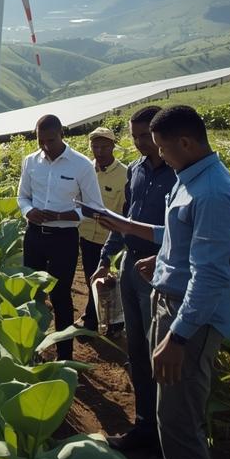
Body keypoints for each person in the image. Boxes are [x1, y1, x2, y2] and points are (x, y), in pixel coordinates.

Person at [94, 105, 230, 459]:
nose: (156, 154)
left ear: (185, 142)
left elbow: (210, 275)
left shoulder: (212, 192)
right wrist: (146, 247)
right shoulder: (189, 177)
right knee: (167, 414)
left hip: (188, 318)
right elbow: (175, 235)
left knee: (180, 423)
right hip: (169, 300)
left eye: (161, 146)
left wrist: (178, 337)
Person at [93, 105, 178, 452]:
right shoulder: (137, 170)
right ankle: (144, 424)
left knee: (157, 345)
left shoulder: (178, 174)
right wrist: (105, 256)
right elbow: (126, 218)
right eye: (135, 136)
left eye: (146, 136)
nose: (141, 143)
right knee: (137, 348)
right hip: (131, 265)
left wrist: (163, 256)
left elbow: (182, 231)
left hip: (160, 270)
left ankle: (166, 431)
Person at [17, 114, 105, 361]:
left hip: (63, 238)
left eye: (50, 140)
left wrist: (61, 215)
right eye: (40, 140)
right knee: (33, 294)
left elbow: (94, 207)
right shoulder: (30, 161)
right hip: (34, 236)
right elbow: (22, 196)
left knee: (61, 295)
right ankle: (32, 350)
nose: (45, 146)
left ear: (62, 135)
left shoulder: (81, 165)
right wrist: (28, 211)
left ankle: (64, 355)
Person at [79, 125, 127, 334]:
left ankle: (116, 323)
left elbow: (126, 211)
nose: (99, 151)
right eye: (95, 146)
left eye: (104, 147)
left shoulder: (125, 174)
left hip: (112, 238)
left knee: (112, 282)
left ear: (112, 147)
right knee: (92, 277)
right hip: (87, 234)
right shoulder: (85, 171)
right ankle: (91, 318)